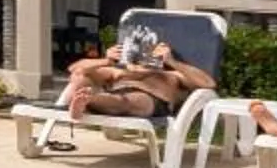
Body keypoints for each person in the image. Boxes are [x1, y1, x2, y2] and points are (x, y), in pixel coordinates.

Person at [56, 24, 214, 122]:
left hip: (153, 100)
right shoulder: (119, 72)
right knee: (82, 77)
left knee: (126, 101)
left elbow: (208, 84)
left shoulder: (170, 75)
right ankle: (85, 101)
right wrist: (106, 61)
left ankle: (87, 101)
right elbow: (75, 71)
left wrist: (173, 62)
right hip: (116, 96)